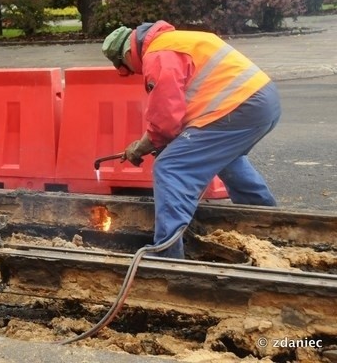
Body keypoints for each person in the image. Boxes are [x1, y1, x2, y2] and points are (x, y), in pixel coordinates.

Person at [102, 20, 281, 259]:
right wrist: (151, 142)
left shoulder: (158, 55)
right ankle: (269, 226)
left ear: (126, 53)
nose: (134, 73)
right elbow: (181, 112)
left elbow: (165, 120)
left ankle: (167, 255)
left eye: (126, 68)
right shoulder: (176, 41)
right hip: (261, 102)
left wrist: (143, 146)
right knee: (226, 159)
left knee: (170, 167)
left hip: (239, 107)